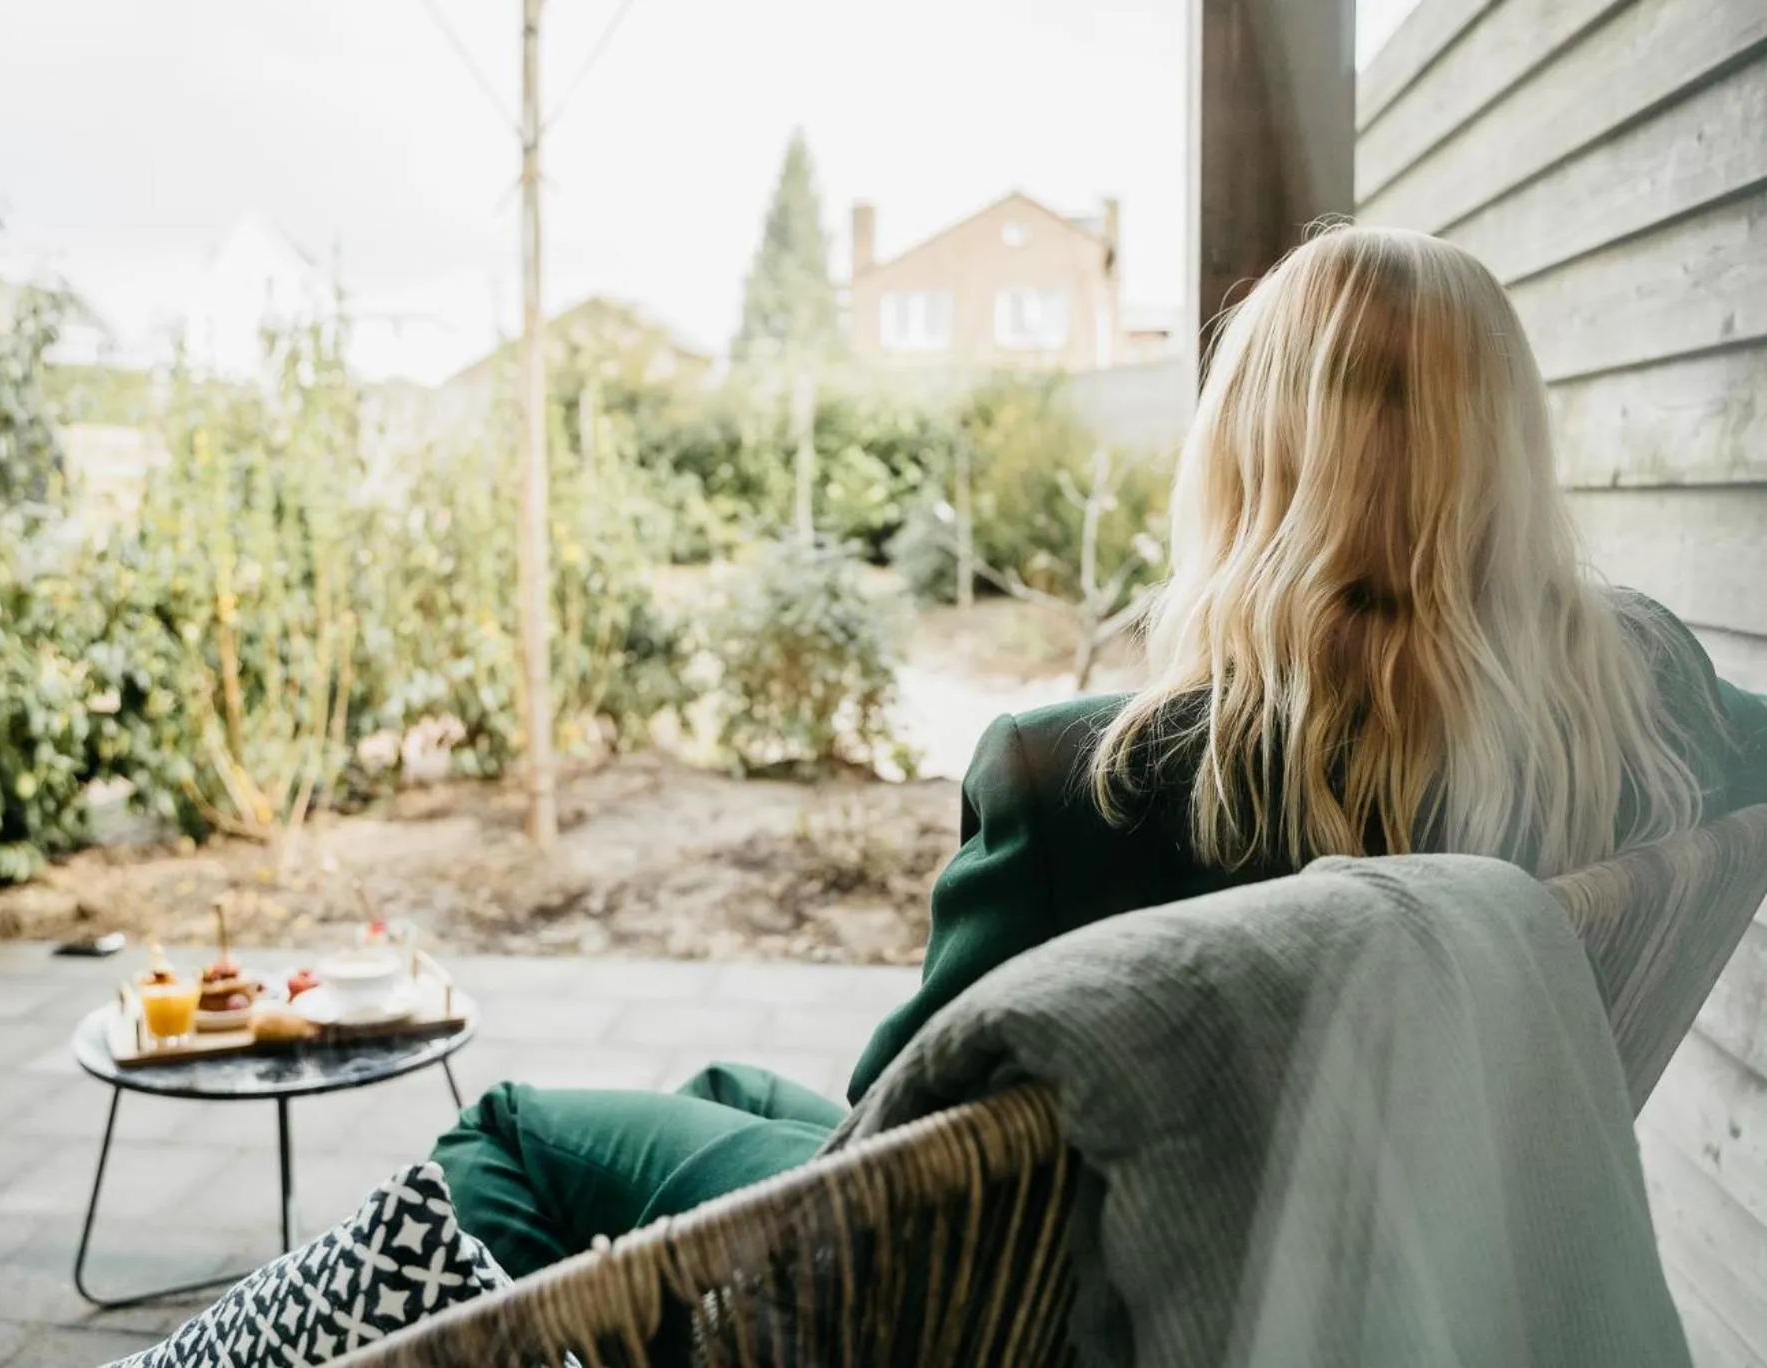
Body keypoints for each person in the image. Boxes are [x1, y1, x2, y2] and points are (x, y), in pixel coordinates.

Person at [432, 224, 1767, 1281]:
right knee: (719, 1088)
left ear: (1251, 456)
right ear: (1507, 458)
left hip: (1058, 1299)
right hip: (1389, 1257)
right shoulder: (1657, 708)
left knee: (510, 1138)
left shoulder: (1087, 787)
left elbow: (883, 1170)